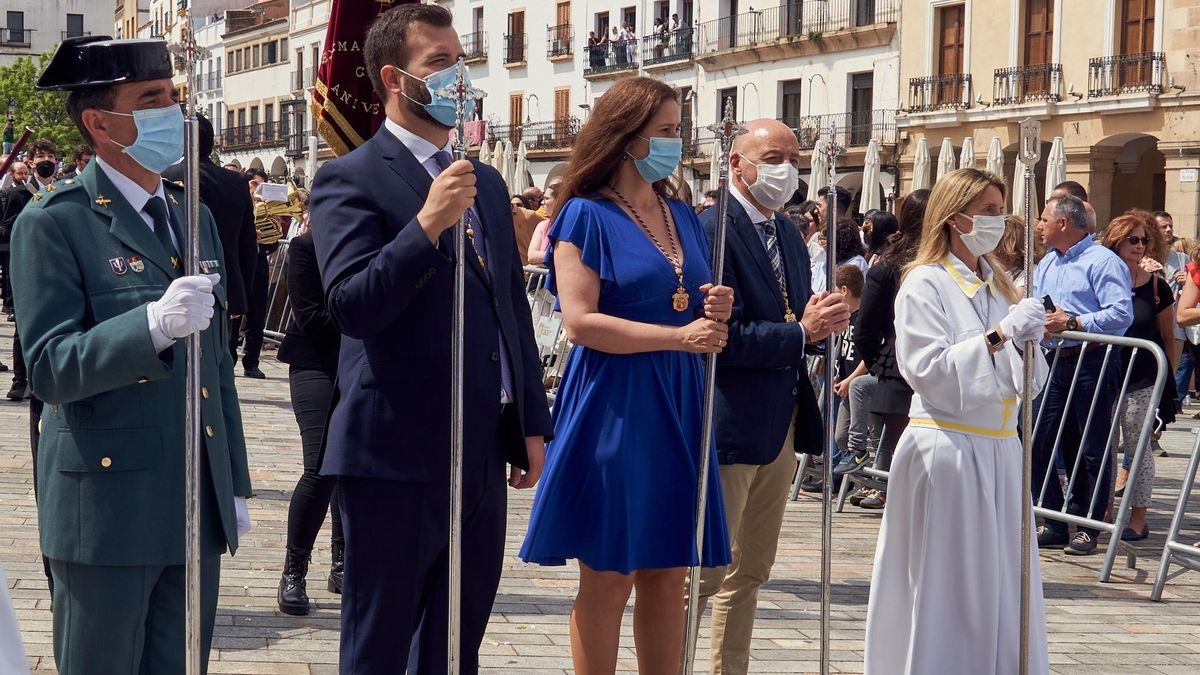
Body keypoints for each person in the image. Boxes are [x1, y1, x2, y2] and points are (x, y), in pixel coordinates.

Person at [309, 6, 552, 671]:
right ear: (395, 79)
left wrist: (530, 419)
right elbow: (353, 304)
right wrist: (424, 227)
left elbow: (510, 310)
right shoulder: (348, 178)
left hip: (478, 451)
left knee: (455, 642)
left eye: (459, 59)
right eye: (438, 63)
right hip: (392, 451)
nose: (458, 76)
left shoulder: (489, 181)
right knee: (380, 643)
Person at [11, 35, 252, 673]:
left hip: (191, 500)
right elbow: (49, 367)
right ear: (99, 122)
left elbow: (218, 365)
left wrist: (233, 477)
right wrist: (149, 326)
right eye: (151, 100)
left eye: (173, 97)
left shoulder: (189, 213)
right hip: (109, 509)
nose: (172, 113)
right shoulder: (54, 221)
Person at [519, 76, 734, 674]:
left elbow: (683, 296)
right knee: (610, 574)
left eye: (677, 129)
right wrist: (679, 335)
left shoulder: (682, 215)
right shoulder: (584, 215)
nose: (676, 140)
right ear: (627, 136)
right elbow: (582, 322)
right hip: (616, 402)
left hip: (679, 399)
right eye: (665, 131)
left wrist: (712, 305)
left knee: (669, 573)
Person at [865, 168, 1050, 675]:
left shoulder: (999, 285)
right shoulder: (924, 283)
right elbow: (926, 371)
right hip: (947, 447)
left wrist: (1028, 338)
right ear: (955, 218)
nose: (1000, 219)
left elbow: (1026, 383)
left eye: (1000, 208)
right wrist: (996, 338)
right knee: (950, 580)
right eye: (989, 210)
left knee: (1002, 580)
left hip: (1000, 450)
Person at [689, 118, 848, 675]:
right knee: (705, 572)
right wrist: (802, 333)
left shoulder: (786, 233)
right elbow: (717, 339)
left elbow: (794, 315)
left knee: (751, 569)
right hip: (730, 421)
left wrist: (822, 326)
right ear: (738, 164)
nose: (787, 169)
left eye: (793, 158)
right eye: (774, 157)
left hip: (780, 418)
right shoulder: (713, 228)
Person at [1032, 193, 1133, 556]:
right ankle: (1055, 519)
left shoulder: (1102, 261)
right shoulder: (1046, 263)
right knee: (1039, 440)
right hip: (1052, 361)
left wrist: (1073, 321)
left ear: (1063, 223)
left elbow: (1121, 314)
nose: (1038, 226)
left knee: (1090, 446)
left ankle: (1087, 524)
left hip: (1091, 360)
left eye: (1044, 219)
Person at [274, 221, 344, 614]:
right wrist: (365, 314)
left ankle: (342, 563)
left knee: (351, 468)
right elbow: (310, 315)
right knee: (319, 466)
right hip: (314, 363)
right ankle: (294, 569)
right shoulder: (305, 248)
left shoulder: (371, 243)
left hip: (363, 365)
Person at [848, 189, 928, 508]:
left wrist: (880, 362)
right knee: (909, 467)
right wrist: (882, 363)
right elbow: (865, 328)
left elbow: (865, 328)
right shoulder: (889, 267)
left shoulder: (895, 265)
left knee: (909, 466)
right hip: (897, 374)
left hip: (899, 371)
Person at [1103, 210, 1175, 542]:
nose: (1140, 245)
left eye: (1144, 240)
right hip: (1105, 376)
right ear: (1115, 242)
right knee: (1100, 448)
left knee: (1138, 448)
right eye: (1133, 239)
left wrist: (1167, 379)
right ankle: (1101, 511)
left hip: (1144, 379)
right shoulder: (1101, 281)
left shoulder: (1157, 286)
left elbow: (1168, 337)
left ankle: (1137, 519)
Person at [163, 113, 258, 362]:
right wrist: (240, 295)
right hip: (224, 286)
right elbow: (248, 244)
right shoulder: (236, 181)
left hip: (175, 286)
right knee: (220, 362)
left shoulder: (166, 176)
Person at [527, 176, 563, 266]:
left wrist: (542, 260)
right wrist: (559, 256)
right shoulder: (542, 225)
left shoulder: (570, 225)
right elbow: (531, 256)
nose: (542, 202)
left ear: (559, 201)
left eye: (546, 198)